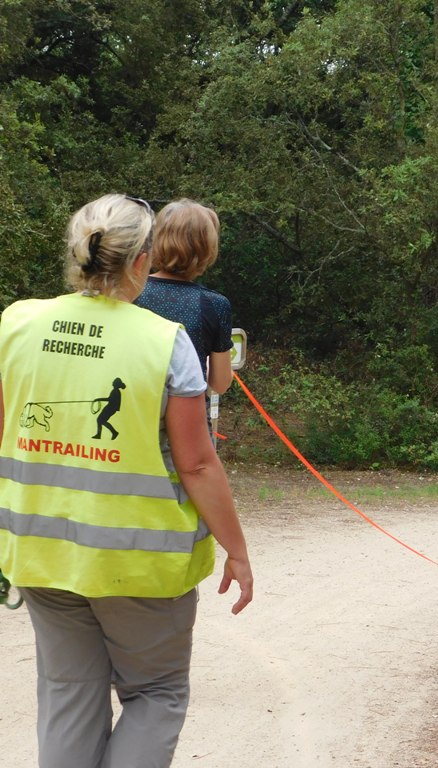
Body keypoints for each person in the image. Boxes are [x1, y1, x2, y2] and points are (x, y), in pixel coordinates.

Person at [0, 193, 254, 768]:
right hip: (143, 562)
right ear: (142, 258)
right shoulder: (164, 342)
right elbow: (196, 462)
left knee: (68, 697)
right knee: (156, 693)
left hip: (42, 553)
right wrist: (236, 549)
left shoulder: (15, 323)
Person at [135, 198, 233, 401]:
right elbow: (220, 383)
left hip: (136, 415)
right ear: (206, 249)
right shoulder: (215, 304)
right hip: (190, 419)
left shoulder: (132, 291)